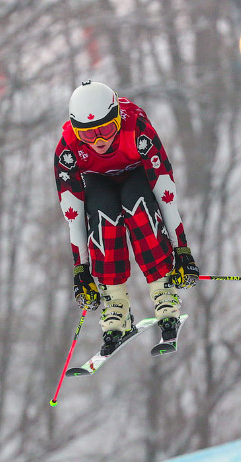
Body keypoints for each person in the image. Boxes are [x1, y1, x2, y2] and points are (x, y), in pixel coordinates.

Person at [53, 80, 199, 355]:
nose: (99, 141)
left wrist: (182, 250)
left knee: (137, 201)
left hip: (137, 177)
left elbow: (166, 195)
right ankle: (116, 303)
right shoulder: (68, 151)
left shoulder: (138, 130)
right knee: (101, 210)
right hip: (97, 182)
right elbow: (74, 216)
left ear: (117, 117)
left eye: (106, 130)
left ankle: (163, 289)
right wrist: (81, 270)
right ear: (75, 131)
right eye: (87, 135)